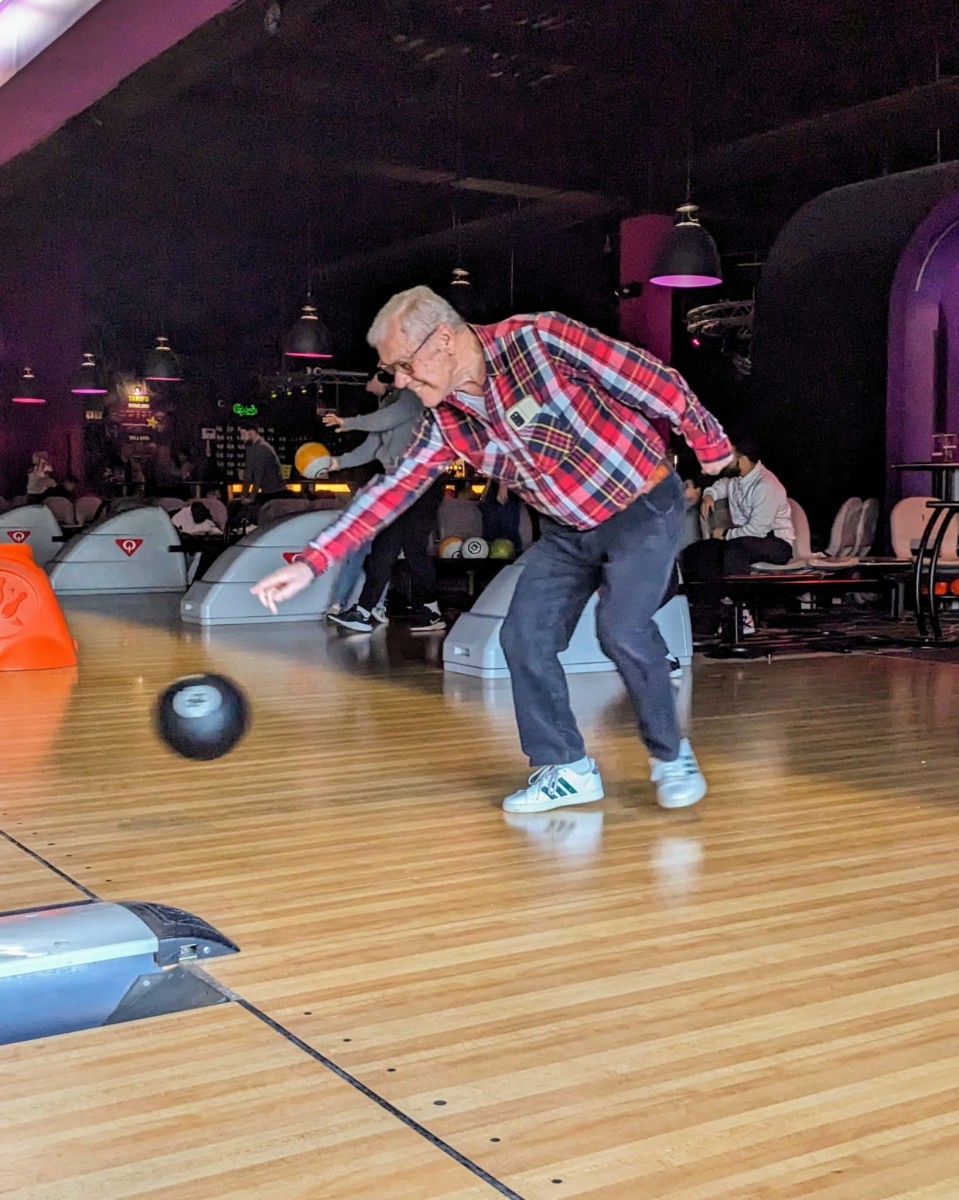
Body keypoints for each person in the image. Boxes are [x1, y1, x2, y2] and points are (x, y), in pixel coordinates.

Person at [251, 286, 733, 812]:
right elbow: (391, 491)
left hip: (641, 505)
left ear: (443, 340)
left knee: (621, 628)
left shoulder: (541, 340)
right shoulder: (446, 422)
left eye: (404, 368)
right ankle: (567, 768)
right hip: (569, 529)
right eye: (393, 373)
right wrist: (314, 560)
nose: (402, 382)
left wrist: (709, 443)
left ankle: (670, 753)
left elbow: (650, 380)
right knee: (523, 636)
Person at [322, 372, 445, 633]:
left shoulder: (410, 397)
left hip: (423, 482)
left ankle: (429, 611)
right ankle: (365, 612)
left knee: (410, 549)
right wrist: (337, 463)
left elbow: (385, 420)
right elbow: (372, 445)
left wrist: (350, 422)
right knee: (385, 548)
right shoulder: (389, 403)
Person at [682, 437, 794, 635]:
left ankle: (742, 611)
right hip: (743, 540)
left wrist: (724, 534)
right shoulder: (736, 480)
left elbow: (757, 531)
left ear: (742, 459)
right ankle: (711, 612)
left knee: (734, 550)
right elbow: (720, 486)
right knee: (697, 551)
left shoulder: (766, 485)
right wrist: (709, 495)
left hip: (776, 542)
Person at [238, 424, 286, 500]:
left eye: (243, 434)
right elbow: (248, 473)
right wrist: (243, 495)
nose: (241, 438)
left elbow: (258, 474)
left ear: (252, 432)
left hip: (275, 492)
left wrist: (251, 498)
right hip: (265, 490)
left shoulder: (263, 447)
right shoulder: (249, 447)